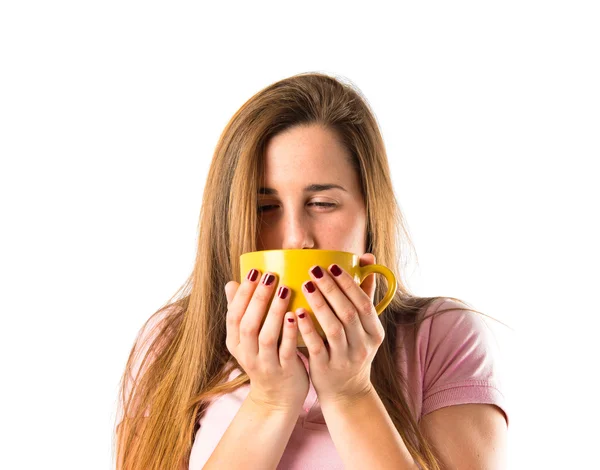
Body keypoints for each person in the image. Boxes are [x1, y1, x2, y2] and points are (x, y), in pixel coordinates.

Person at [114, 72, 509, 469]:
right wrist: (270, 401)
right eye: (265, 208)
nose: (294, 239)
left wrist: (350, 394)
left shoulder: (443, 338)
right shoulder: (172, 342)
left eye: (321, 203)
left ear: (370, 213)